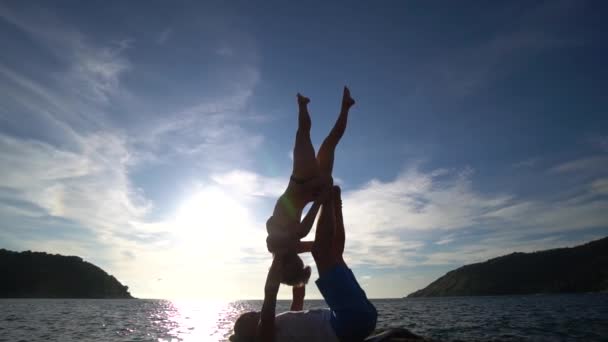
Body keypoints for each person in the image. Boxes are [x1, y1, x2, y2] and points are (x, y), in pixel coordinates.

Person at [232, 186, 378, 342]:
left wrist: (294, 262)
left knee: (333, 253)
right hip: (348, 323)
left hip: (356, 319)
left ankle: (335, 202)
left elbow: (298, 295)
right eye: (248, 319)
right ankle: (327, 199)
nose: (254, 313)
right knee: (322, 252)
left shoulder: (282, 326)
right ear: (249, 335)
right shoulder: (265, 336)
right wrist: (279, 254)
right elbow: (270, 291)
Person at [265, 87, 355, 287]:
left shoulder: (274, 244)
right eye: (299, 267)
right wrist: (328, 204)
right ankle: (340, 107)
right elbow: (319, 245)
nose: (297, 263)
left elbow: (301, 232)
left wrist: (322, 202)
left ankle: (324, 106)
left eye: (294, 268)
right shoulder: (291, 247)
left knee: (315, 138)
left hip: (306, 186)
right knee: (324, 141)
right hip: (307, 186)